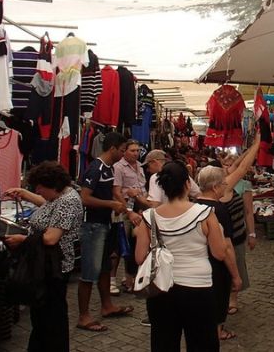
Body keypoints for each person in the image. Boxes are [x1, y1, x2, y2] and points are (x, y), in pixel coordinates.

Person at [134, 161, 227, 352]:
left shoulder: (149, 217)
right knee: (202, 343)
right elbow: (219, 253)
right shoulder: (205, 213)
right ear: (187, 184)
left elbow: (139, 257)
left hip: (162, 288)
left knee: (164, 342)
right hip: (198, 287)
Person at [3, 161, 84, 352]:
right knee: (42, 319)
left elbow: (50, 238)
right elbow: (48, 205)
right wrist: (25, 194)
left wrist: (22, 240)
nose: (38, 190)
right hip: (46, 265)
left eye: (40, 187)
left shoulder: (69, 201)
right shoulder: (62, 195)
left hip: (53, 268)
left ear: (52, 184)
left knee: (50, 319)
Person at [77, 132, 133, 332]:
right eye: (122, 150)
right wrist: (110, 203)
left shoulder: (108, 168)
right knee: (90, 272)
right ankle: (84, 316)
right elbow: (84, 197)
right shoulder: (96, 168)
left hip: (104, 224)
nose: (123, 153)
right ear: (112, 149)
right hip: (92, 226)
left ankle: (107, 306)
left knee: (105, 266)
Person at [196, 166, 243, 341]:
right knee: (218, 302)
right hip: (216, 267)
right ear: (215, 187)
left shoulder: (193, 206)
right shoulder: (219, 210)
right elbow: (227, 247)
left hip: (198, 264)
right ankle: (217, 334)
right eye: (223, 183)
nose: (225, 186)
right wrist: (236, 275)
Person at [217, 136, 261, 314]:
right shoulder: (218, 185)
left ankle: (233, 298)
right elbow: (240, 166)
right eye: (225, 165)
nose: (227, 167)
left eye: (230, 165)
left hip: (237, 233)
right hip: (219, 235)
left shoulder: (243, 185)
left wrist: (252, 234)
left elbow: (249, 212)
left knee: (237, 263)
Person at [111, 139, 145, 293]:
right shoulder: (118, 167)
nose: (136, 153)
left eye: (138, 150)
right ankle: (112, 280)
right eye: (133, 150)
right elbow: (116, 192)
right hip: (124, 209)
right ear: (125, 151)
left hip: (138, 208)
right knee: (119, 244)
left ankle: (128, 276)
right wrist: (128, 195)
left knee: (134, 242)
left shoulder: (140, 167)